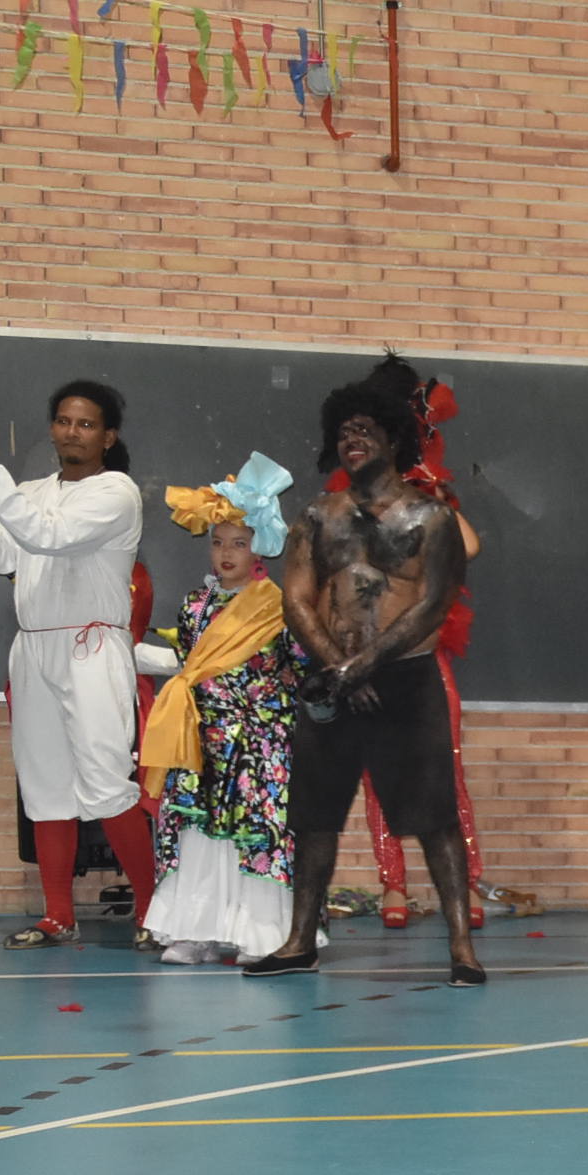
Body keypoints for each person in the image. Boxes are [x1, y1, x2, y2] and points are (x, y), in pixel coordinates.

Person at [250, 378, 476, 982]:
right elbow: (296, 600)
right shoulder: (317, 516)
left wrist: (367, 664)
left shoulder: (433, 519)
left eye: (364, 429)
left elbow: (433, 604)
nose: (352, 439)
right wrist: (338, 667)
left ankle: (462, 948)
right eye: (342, 431)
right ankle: (300, 940)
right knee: (314, 816)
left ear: (392, 437)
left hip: (404, 680)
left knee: (434, 817)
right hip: (331, 680)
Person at [0, 381, 156, 950]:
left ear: (108, 437)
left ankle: (154, 911)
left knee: (108, 783)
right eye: (63, 421)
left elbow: (49, 537)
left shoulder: (118, 491)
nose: (71, 432)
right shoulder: (31, 489)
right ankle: (59, 915)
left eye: (85, 424)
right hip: (33, 648)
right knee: (44, 787)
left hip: (92, 649)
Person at [136, 456, 310, 965]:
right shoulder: (194, 606)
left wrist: (287, 678)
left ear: (260, 544)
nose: (227, 552)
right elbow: (193, 663)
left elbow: (301, 664)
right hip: (203, 736)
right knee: (199, 833)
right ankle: (197, 929)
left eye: (239, 541)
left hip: (259, 742)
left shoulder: (278, 604)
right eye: (218, 541)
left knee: (251, 830)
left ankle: (260, 930)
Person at [344, 361, 489, 937]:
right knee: (379, 772)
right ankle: (393, 883)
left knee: (443, 768)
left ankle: (467, 881)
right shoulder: (347, 497)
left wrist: (423, 496)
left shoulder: (427, 489)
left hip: (424, 652)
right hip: (370, 651)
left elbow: (470, 546)